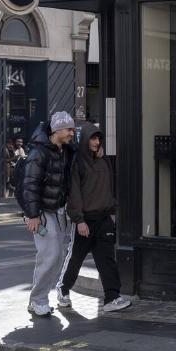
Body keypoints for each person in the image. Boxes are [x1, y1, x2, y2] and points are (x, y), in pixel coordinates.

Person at [58, 122, 131, 312]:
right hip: (85, 221)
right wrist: (79, 220)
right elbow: (74, 193)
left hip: (104, 219)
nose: (97, 142)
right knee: (75, 259)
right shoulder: (78, 163)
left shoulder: (104, 160)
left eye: (98, 138)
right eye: (93, 138)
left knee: (107, 261)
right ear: (85, 140)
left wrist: (112, 212)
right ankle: (63, 290)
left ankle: (112, 298)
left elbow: (110, 188)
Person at [23, 111, 77, 317]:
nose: (72, 133)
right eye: (69, 129)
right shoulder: (39, 153)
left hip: (58, 210)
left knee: (57, 257)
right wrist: (33, 215)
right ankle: (38, 300)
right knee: (50, 255)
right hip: (43, 212)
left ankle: (38, 299)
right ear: (57, 130)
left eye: (72, 129)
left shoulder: (67, 150)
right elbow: (30, 185)